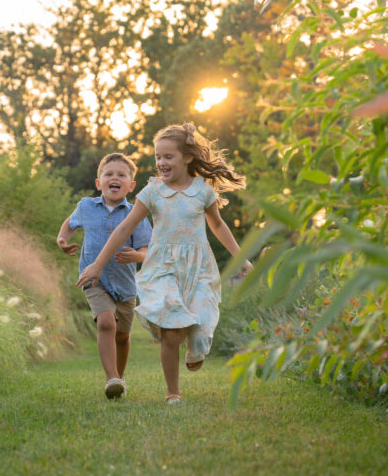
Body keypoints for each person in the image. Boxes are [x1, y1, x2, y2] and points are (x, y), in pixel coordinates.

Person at [77, 123, 251, 404]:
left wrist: (241, 257)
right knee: (171, 330)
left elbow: (218, 226)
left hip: (198, 268)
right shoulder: (152, 192)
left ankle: (197, 346)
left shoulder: (203, 191)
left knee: (203, 324)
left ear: (187, 157)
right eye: (158, 157)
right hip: (163, 268)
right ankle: (173, 392)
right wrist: (97, 264)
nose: (161, 162)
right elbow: (123, 229)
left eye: (168, 156)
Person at [57, 153, 152, 400]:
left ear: (131, 186)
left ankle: (119, 379)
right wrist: (62, 238)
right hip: (94, 279)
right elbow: (70, 222)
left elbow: (145, 249)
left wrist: (138, 257)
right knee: (107, 323)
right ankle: (111, 378)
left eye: (121, 175)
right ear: (99, 182)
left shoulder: (136, 214)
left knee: (122, 336)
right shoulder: (86, 207)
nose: (115, 178)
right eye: (109, 174)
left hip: (126, 285)